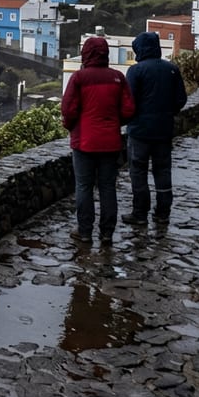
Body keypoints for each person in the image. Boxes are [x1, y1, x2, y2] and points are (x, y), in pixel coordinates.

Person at [61, 36, 135, 246]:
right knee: (107, 187)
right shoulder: (118, 77)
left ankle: (84, 231)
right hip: (110, 142)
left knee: (84, 186)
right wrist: (113, 123)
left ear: (86, 54)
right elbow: (129, 109)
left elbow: (68, 109)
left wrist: (71, 126)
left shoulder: (79, 78)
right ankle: (107, 233)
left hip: (84, 142)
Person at [122, 32, 188, 226]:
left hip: (139, 131)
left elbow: (129, 102)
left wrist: (132, 119)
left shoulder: (136, 71)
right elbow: (181, 100)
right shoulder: (172, 69)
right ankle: (162, 212)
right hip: (164, 131)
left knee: (138, 171)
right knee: (162, 171)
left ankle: (140, 213)